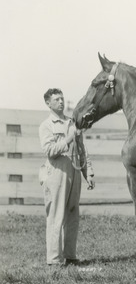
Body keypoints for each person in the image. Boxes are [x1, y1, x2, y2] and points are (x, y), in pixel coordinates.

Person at [39, 88, 95, 266]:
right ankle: (54, 260)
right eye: (56, 100)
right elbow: (49, 151)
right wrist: (68, 139)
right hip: (56, 172)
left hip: (74, 172)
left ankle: (70, 256)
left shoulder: (72, 122)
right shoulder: (46, 125)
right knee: (56, 214)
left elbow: (82, 149)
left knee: (72, 214)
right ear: (48, 103)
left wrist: (89, 172)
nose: (61, 102)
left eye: (62, 98)